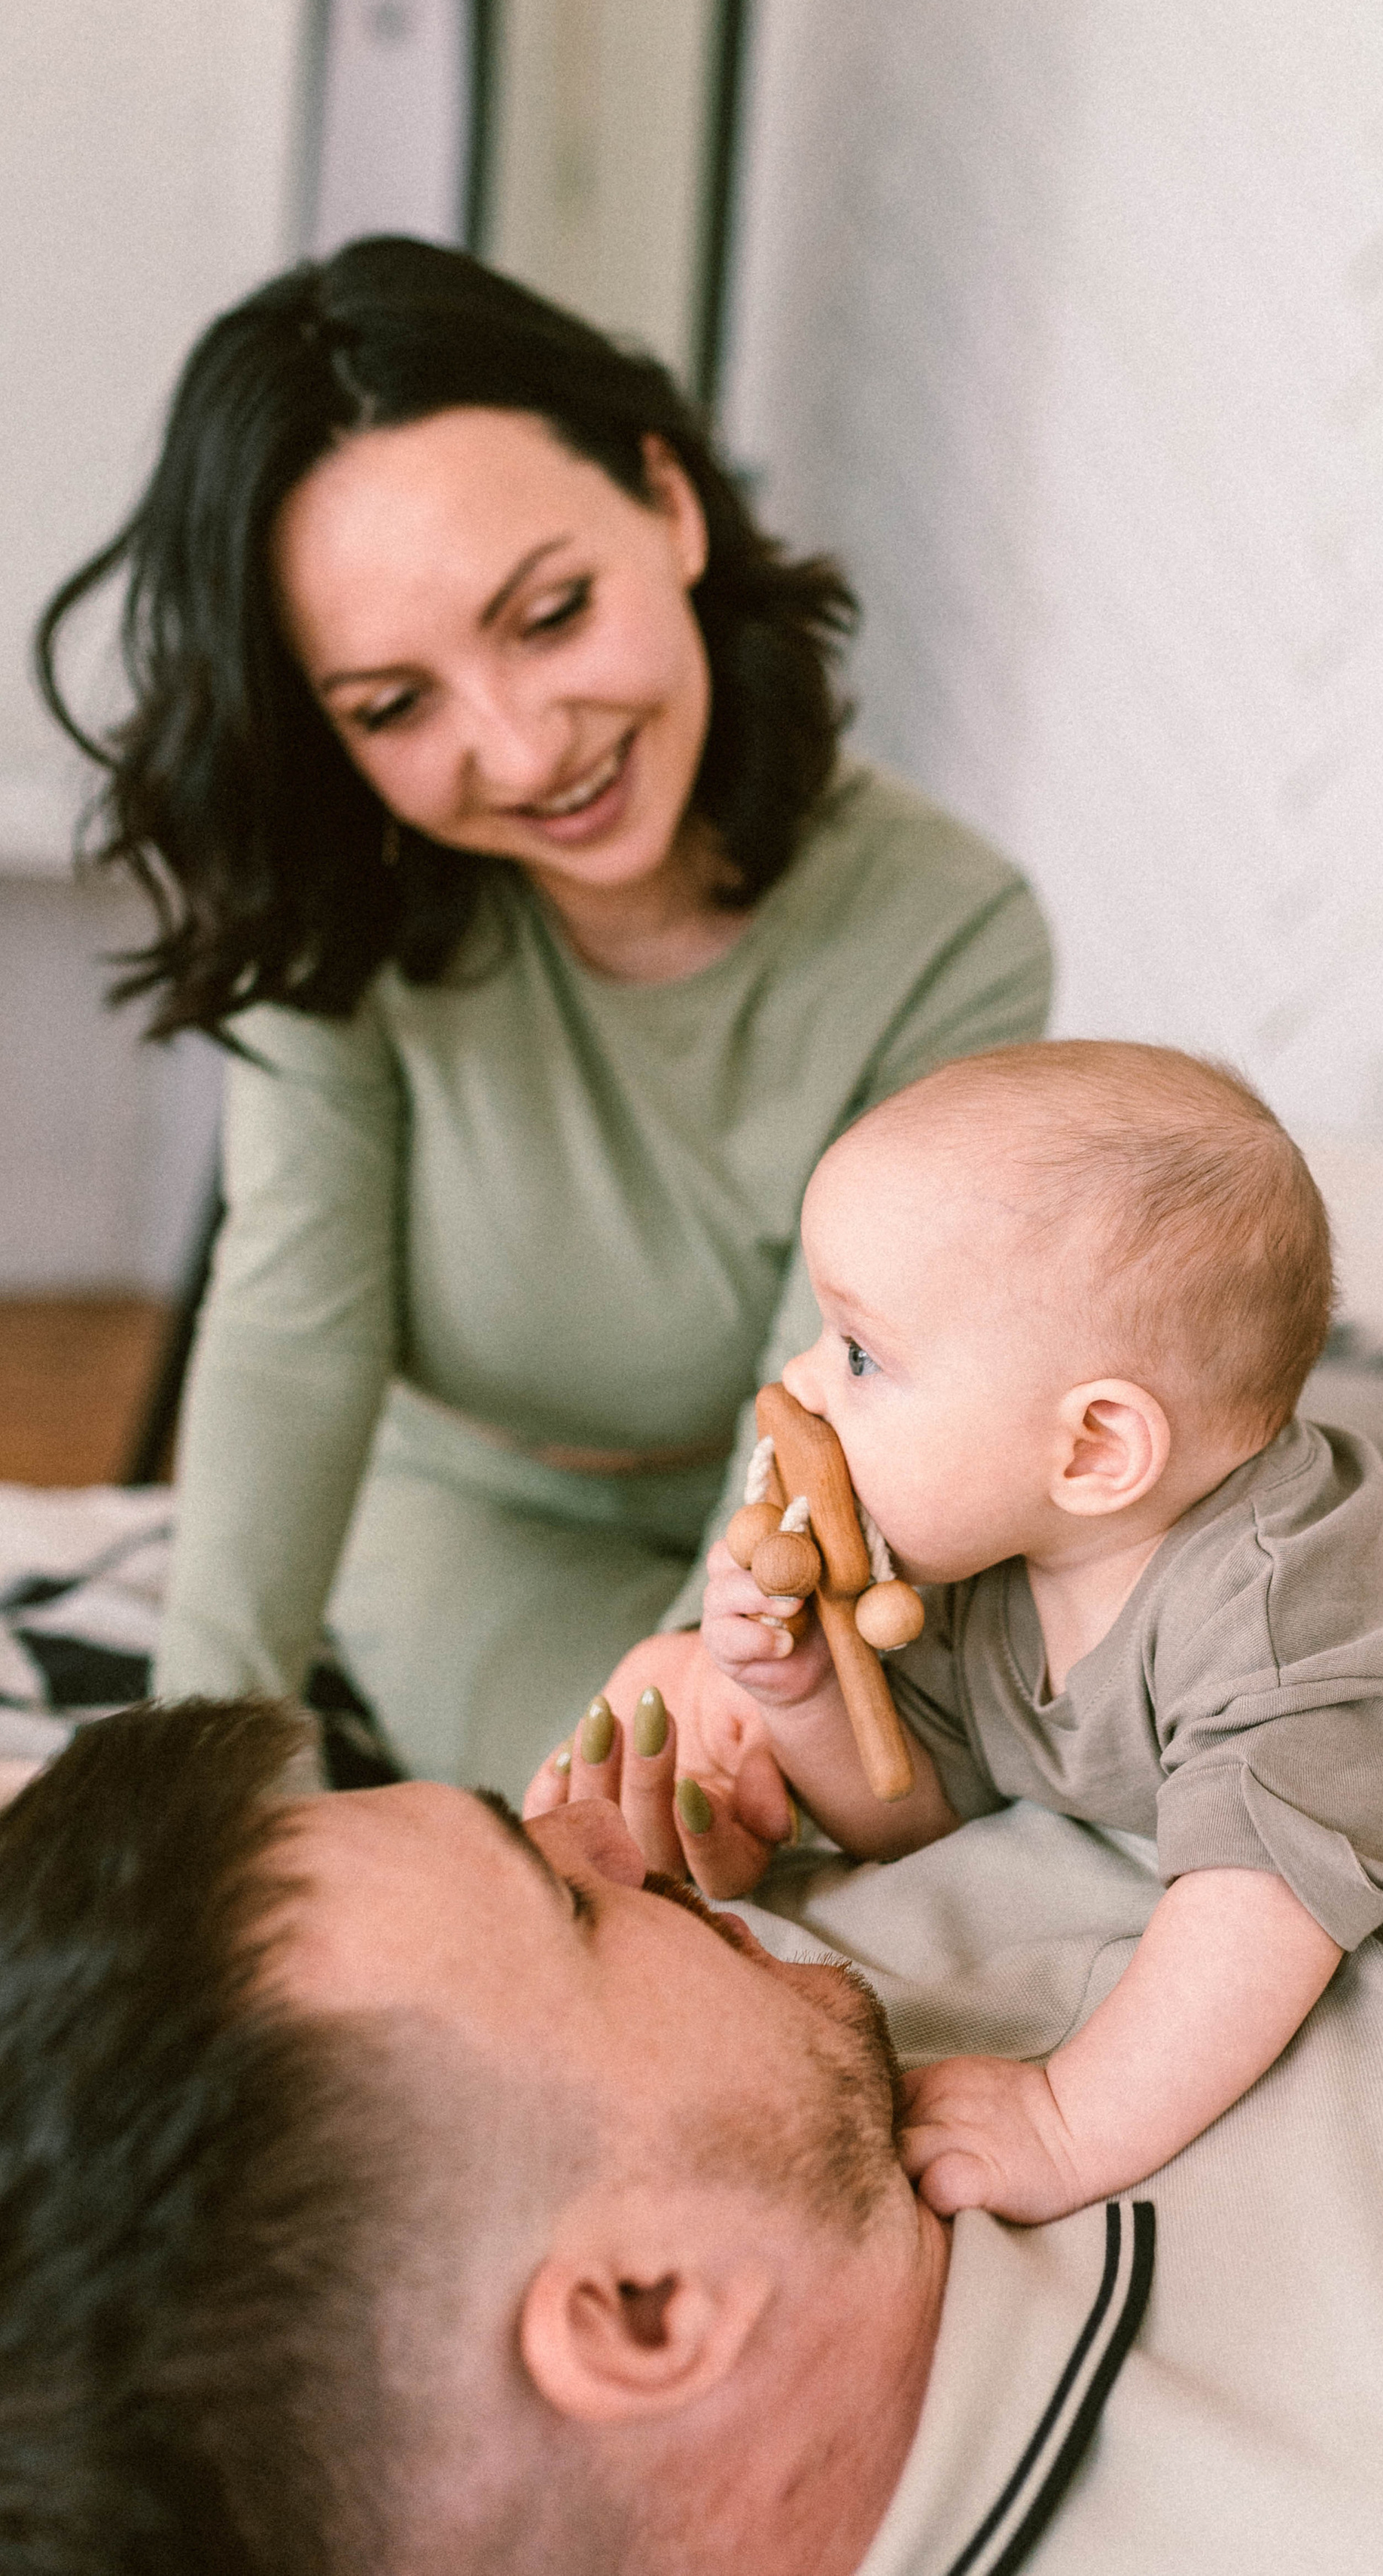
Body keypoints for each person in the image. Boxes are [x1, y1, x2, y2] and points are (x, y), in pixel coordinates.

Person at [8, 1404, 1383, 2576]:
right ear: (649, 2309)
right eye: (565, 1911)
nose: (594, 1838)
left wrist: (1373, 1598)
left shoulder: (756, 2132)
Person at [34, 237, 1050, 1795]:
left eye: (551, 613)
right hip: (474, 1519)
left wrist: (718, 1668)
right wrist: (192, 1783)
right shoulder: (340, 910)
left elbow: (829, 1411)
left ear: (668, 501)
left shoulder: (946, 927)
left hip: (858, 1509)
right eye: (392, 707)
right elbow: (290, 1333)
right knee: (622, 1815)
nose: (519, 750)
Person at [696, 1040, 1383, 2221]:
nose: (799, 1387)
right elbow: (918, 1807)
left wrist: (1070, 2120)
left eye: (860, 1354)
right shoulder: (994, 1565)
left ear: (1095, 1450)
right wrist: (803, 1690)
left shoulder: (1292, 1624)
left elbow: (1256, 1918)